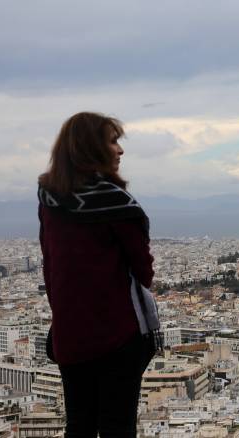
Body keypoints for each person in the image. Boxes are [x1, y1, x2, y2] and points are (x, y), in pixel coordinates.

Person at [38, 112, 158, 437]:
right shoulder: (118, 206)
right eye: (112, 140)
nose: (120, 150)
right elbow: (144, 273)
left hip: (69, 336)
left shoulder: (50, 201)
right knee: (117, 427)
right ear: (90, 147)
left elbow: (51, 266)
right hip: (117, 337)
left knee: (79, 425)